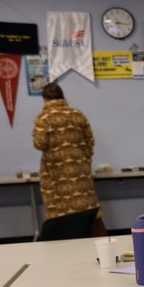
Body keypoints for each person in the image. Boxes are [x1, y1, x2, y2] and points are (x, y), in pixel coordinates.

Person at [32, 82, 103, 231]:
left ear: (44, 99)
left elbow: (40, 143)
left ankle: (65, 249)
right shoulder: (78, 114)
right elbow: (90, 142)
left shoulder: (43, 117)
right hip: (81, 173)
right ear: (62, 96)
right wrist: (84, 162)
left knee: (61, 216)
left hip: (56, 177)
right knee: (89, 213)